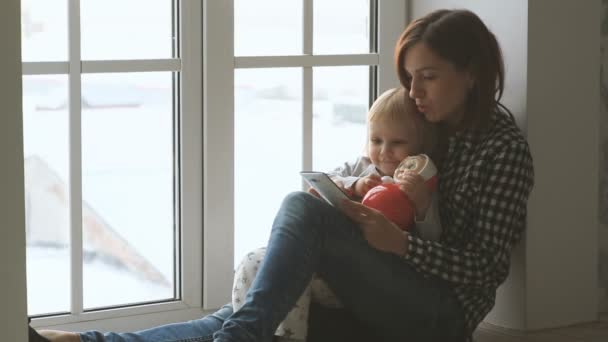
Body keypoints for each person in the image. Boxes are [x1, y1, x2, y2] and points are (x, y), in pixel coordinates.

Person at [34, 8, 534, 342]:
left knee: (294, 227)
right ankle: (86, 340)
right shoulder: (423, 129)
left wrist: (401, 246)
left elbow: (488, 269)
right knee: (254, 310)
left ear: (470, 73)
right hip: (381, 290)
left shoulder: (503, 150)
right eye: (410, 78)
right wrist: (351, 194)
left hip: (437, 316)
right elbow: (364, 175)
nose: (415, 91)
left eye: (428, 76)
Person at [232, 87, 442, 342]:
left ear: (420, 146)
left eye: (397, 143)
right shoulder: (360, 166)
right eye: (376, 140)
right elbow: (319, 184)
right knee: (252, 261)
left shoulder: (418, 184)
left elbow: (433, 239)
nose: (384, 151)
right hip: (318, 257)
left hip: (360, 277)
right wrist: (355, 184)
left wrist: (422, 204)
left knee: (290, 280)